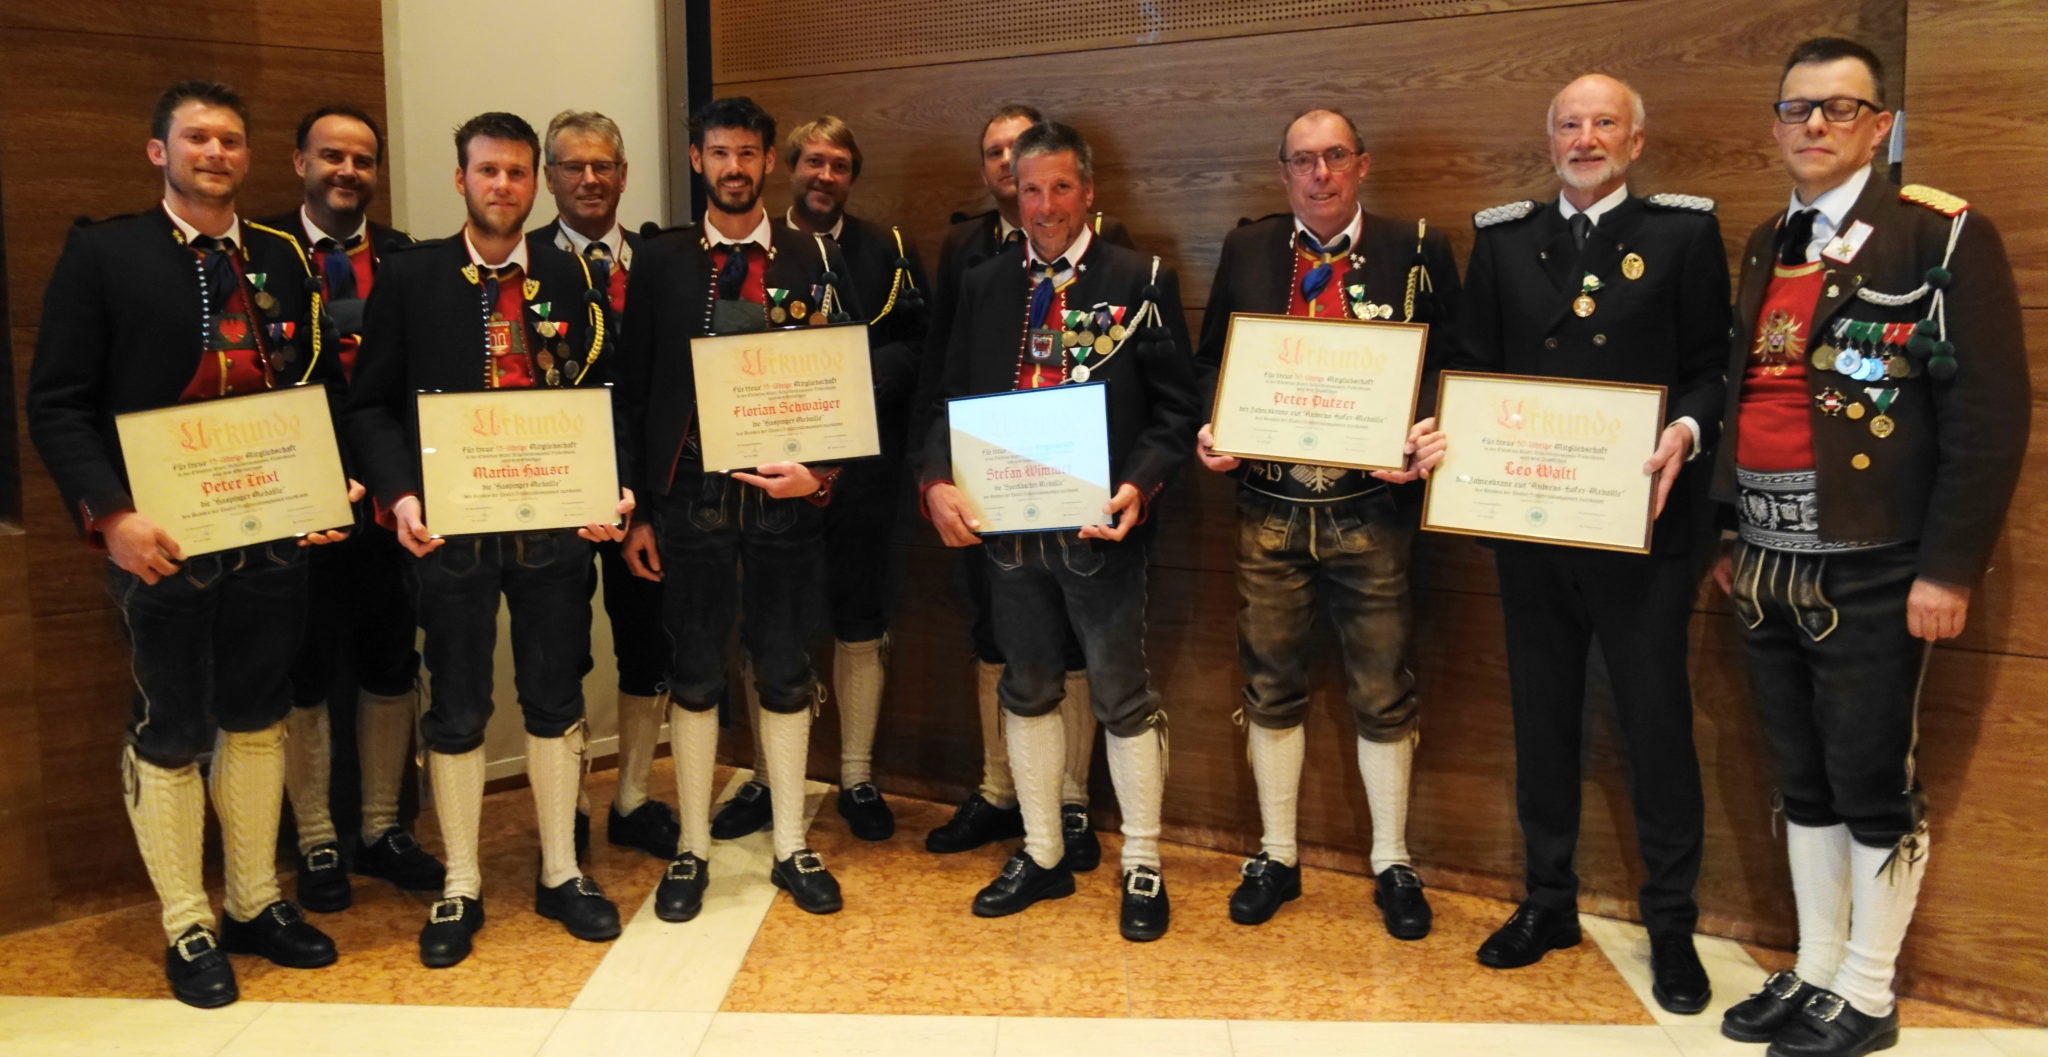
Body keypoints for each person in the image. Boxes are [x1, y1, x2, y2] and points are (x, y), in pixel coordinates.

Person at [1709, 38, 2027, 1057]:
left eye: (1838, 108)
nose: (1813, 125)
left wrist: (1948, 566)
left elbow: (1989, 417)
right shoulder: (1768, 239)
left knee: (1869, 779)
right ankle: (1815, 967)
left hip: (1874, 559)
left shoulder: (1938, 235)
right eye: (1795, 108)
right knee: (1799, 775)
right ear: (1774, 124)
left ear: (1879, 126)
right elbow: (1747, 392)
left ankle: (1868, 987)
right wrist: (1729, 524)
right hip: (1764, 554)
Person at [1414, 73, 1729, 1012]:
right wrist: (1443, 428)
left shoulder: (1682, 235)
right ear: (1549, 139)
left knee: (1655, 725)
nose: (1584, 138)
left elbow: (1712, 367)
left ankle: (1670, 923)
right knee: (1542, 718)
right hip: (1534, 527)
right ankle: (1548, 900)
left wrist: (1687, 430)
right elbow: (1470, 364)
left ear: (1636, 141)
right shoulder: (1506, 239)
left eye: (1603, 123)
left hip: (1641, 528)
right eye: (1568, 124)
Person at [28, 80, 347, 1007]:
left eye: (231, 140)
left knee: (255, 715)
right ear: (158, 151)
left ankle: (252, 902)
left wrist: (328, 485)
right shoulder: (104, 252)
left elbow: (314, 391)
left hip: (272, 538)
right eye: (197, 137)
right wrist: (112, 517)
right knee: (170, 728)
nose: (215, 153)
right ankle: (187, 922)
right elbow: (57, 404)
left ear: (250, 157)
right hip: (159, 543)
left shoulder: (282, 255)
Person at [344, 111, 630, 967]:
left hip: (552, 527)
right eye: (487, 171)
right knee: (459, 703)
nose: (503, 185)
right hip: (451, 533)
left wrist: (613, 482)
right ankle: (461, 881)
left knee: (555, 694)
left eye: (516, 172)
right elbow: (370, 405)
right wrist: (398, 495)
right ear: (460, 179)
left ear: (535, 181)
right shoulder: (411, 276)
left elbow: (604, 393)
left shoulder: (573, 276)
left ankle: (561, 870)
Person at [919, 121, 1198, 941]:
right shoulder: (984, 283)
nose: (1043, 206)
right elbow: (945, 400)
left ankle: (1142, 860)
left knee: (1121, 696)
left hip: (1099, 534)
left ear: (1089, 190)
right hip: (1007, 534)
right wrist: (935, 481)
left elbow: (1177, 409)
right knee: (1028, 688)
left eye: (1060, 188)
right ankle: (1042, 852)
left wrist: (1139, 484)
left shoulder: (1139, 277)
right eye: (1030, 189)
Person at [1192, 107, 1459, 938]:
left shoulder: (1418, 247)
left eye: (1334, 156)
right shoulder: (1248, 249)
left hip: (1370, 509)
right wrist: (1213, 424)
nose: (1320, 174)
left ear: (1362, 164)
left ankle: (1393, 859)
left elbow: (1455, 364)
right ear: (1284, 173)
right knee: (1270, 684)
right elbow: (1210, 363)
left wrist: (1424, 426)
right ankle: (1276, 853)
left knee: (1383, 688)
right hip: (1268, 507)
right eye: (1303, 160)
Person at [618, 97, 860, 920]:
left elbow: (841, 383)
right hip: (689, 497)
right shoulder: (660, 260)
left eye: (747, 153)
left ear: (767, 161)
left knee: (786, 667)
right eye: (719, 152)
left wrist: (820, 476)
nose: (733, 167)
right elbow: (634, 388)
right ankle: (691, 846)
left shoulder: (814, 255)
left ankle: (790, 843)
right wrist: (639, 512)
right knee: (693, 670)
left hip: (784, 499)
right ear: (697, 160)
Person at [917, 105, 1130, 868]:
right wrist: (931, 476)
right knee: (995, 637)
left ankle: (1069, 802)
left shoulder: (1114, 254)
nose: (1015, 173)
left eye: (1026, 155)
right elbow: (944, 379)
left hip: (1078, 500)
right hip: (993, 496)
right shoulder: (968, 257)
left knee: (1070, 647)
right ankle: (1000, 789)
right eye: (997, 155)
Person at [713, 115, 929, 843]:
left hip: (861, 471)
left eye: (840, 164)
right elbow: (727, 354)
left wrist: (851, 377)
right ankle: (768, 775)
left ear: (852, 176)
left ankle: (858, 775)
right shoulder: (754, 249)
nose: (825, 176)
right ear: (788, 167)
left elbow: (917, 344)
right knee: (769, 624)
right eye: (813, 162)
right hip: (769, 471)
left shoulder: (888, 250)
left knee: (860, 619)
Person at [255, 104, 444, 914]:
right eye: (332, 156)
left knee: (390, 657)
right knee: (302, 665)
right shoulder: (257, 252)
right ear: (299, 161)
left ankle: (380, 827)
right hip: (295, 494)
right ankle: (315, 838)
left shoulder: (408, 257)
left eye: (363, 160)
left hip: (393, 495)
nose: (347, 171)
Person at [526, 109, 679, 863]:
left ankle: (633, 798)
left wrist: (647, 502)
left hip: (644, 493)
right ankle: (572, 809)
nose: (589, 179)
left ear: (623, 175)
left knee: (648, 645)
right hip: (553, 491)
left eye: (603, 166)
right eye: (572, 166)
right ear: (549, 177)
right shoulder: (519, 263)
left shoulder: (660, 262)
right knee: (559, 656)